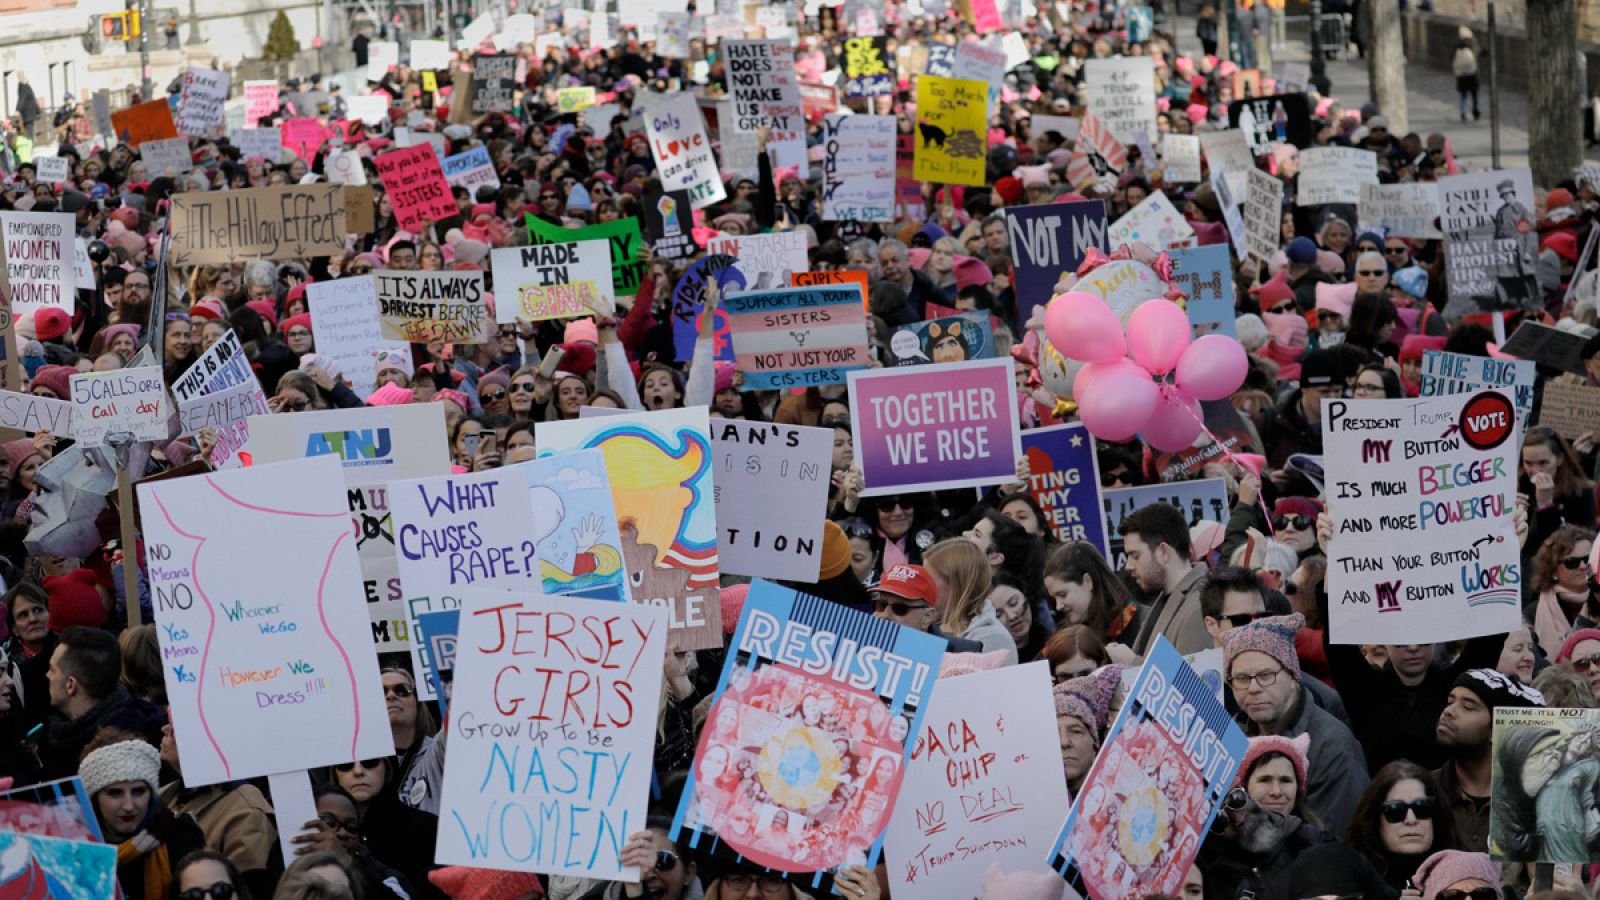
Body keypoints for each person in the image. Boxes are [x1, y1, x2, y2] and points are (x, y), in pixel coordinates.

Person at [1224, 614, 1370, 834]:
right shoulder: (1233, 736)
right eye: (1242, 678)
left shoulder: (1333, 747)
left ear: (1293, 676)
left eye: (1266, 675)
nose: (1253, 688)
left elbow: (1334, 840)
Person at [80, 728, 207, 900]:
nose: (129, 805)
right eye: (115, 793)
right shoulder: (76, 850)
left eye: (138, 791)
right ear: (94, 799)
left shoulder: (181, 836)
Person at [1433, 668, 1545, 852]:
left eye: (1468, 707)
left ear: (1497, 729)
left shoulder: (1532, 803)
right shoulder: (1424, 790)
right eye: (1450, 701)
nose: (1448, 711)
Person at [42, 625, 164, 779]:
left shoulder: (126, 744)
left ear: (70, 685)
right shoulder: (60, 738)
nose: (47, 675)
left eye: (52, 669)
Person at [1345, 761, 1458, 894]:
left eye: (1422, 807)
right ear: (1375, 820)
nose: (1411, 820)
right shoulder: (1349, 882)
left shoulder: (1463, 878)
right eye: (1395, 810)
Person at [1121, 502, 1210, 654]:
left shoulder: (1200, 604)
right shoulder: (1167, 598)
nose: (1128, 566)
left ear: (1163, 552)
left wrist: (1129, 662)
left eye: (1135, 556)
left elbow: (1193, 675)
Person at [923, 539, 1016, 662]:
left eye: (929, 579)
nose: (922, 587)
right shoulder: (924, 624)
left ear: (957, 585)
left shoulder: (994, 640)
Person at [1043, 541, 1144, 651]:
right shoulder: (1064, 635)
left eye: (1063, 594)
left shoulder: (1138, 622)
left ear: (1087, 581)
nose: (1058, 606)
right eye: (1054, 599)